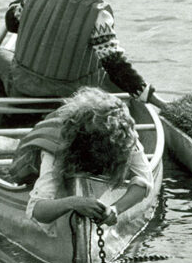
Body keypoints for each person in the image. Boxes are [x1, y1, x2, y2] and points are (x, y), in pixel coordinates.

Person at [0, 0, 164, 108]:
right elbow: (117, 66)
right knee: (104, 69)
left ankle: (11, 106)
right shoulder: (99, 16)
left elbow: (12, 24)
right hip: (71, 99)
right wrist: (155, 100)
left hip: (24, 91)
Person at [8, 87, 154, 229]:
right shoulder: (58, 143)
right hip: (37, 168)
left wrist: (116, 208)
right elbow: (36, 210)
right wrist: (74, 202)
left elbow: (145, 181)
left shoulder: (122, 138)